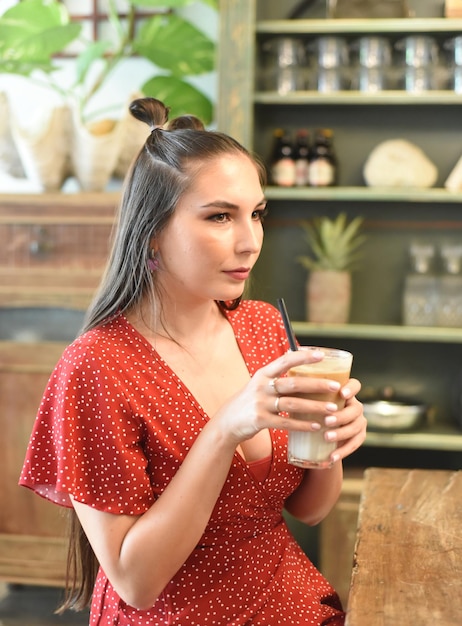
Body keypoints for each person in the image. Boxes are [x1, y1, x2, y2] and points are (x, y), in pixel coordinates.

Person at [20, 97, 367, 626]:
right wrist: (226, 427)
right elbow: (135, 583)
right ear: (153, 230)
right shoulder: (95, 367)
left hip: (288, 601)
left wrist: (332, 436)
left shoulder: (262, 326)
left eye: (256, 214)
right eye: (220, 216)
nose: (250, 242)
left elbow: (310, 509)